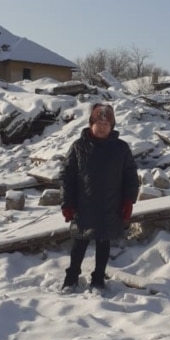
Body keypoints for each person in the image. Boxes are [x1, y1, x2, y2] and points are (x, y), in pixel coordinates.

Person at [60, 102, 138, 291]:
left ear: (111, 126)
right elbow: (66, 176)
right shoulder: (79, 147)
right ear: (91, 124)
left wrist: (129, 200)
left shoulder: (121, 148)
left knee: (104, 244)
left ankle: (98, 279)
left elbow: (131, 175)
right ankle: (71, 278)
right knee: (79, 244)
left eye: (106, 124)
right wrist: (67, 203)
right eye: (98, 123)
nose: (102, 127)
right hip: (83, 205)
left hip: (110, 205)